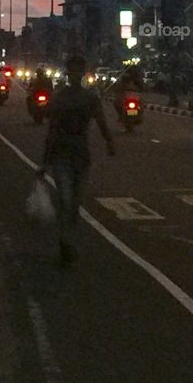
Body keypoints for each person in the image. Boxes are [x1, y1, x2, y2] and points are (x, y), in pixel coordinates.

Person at [39, 54, 115, 265]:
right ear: (68, 73)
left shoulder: (89, 98)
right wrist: (45, 162)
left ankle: (68, 239)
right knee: (66, 200)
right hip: (61, 155)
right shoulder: (60, 97)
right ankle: (66, 242)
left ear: (81, 74)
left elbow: (101, 121)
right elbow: (51, 129)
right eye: (72, 71)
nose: (74, 75)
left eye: (78, 71)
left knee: (75, 203)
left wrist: (109, 141)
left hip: (81, 156)